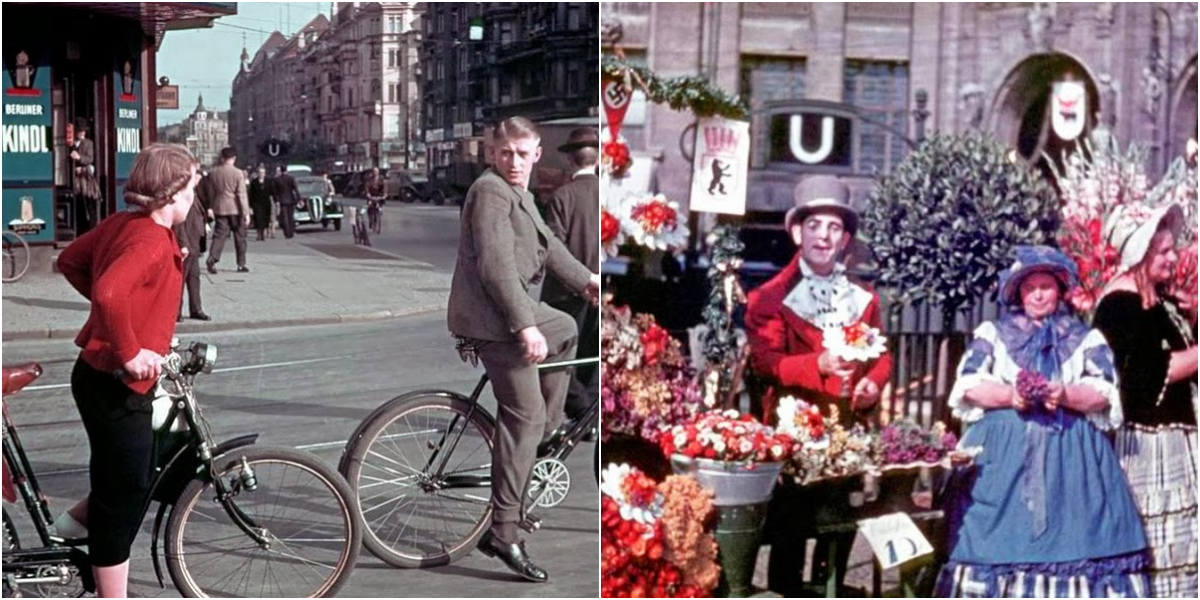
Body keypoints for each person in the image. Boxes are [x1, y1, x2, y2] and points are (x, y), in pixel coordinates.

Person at [936, 245, 1150, 597]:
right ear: (1018, 291)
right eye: (1030, 286)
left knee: (1080, 539)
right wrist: (1010, 396)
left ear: (1060, 290)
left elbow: (1104, 392)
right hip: (1002, 462)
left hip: (1072, 462)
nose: (1037, 294)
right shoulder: (993, 333)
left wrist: (1064, 394)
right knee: (994, 539)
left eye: (1046, 286)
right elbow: (968, 384)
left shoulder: (1085, 338)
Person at [447, 117, 601, 583]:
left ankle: (547, 433)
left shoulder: (521, 194)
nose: (514, 162)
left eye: (523, 153)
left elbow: (551, 248)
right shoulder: (491, 191)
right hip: (493, 320)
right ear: (493, 154)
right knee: (524, 415)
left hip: (506, 312)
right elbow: (495, 268)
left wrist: (591, 281)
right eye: (506, 153)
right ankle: (504, 531)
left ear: (537, 153)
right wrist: (524, 326)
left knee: (565, 330)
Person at [53, 143, 200, 598]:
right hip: (117, 383)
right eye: (193, 188)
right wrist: (130, 346)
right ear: (173, 194)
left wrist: (130, 326)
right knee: (126, 494)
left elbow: (70, 261)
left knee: (131, 475)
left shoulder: (125, 224)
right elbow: (111, 295)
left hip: (97, 376)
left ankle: (72, 523)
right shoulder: (152, 241)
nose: (195, 197)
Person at [745, 175, 891, 595]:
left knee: (839, 524)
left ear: (845, 239)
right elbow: (767, 363)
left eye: (833, 228)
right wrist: (819, 365)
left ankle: (832, 586)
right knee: (792, 530)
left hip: (847, 431)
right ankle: (789, 590)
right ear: (796, 232)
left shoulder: (863, 298)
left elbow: (881, 356)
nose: (823, 237)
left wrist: (873, 385)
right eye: (814, 226)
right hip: (793, 433)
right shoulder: (769, 298)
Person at [1093, 203, 1197, 598]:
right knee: (1158, 542)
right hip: (1148, 443)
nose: (1174, 258)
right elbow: (1151, 372)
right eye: (1164, 251)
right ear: (1140, 254)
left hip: (1177, 435)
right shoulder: (1120, 304)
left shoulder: (1158, 298)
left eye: (1173, 249)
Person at [541, 127, 600, 436]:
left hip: (567, 292)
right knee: (592, 354)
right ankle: (589, 415)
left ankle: (582, 412)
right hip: (600, 292)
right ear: (598, 159)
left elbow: (554, 247)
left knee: (563, 357)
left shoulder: (563, 196)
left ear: (570, 161)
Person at [204, 147, 250, 273]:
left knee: (219, 236)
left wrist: (211, 207)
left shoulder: (214, 172)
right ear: (234, 158)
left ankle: (212, 258)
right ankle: (241, 264)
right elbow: (241, 194)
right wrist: (246, 212)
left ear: (222, 158)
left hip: (220, 208)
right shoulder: (238, 173)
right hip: (236, 209)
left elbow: (211, 192)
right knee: (240, 237)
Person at [173, 181, 209, 321]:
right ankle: (176, 311)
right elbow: (179, 223)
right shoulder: (182, 197)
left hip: (195, 243)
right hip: (187, 242)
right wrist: (183, 243)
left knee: (194, 278)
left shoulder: (194, 195)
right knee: (181, 279)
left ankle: (196, 309)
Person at [70, 120, 101, 233]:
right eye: (80, 131)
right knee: (77, 204)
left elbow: (90, 159)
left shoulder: (89, 143)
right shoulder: (71, 143)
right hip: (72, 179)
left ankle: (90, 229)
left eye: (84, 131)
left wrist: (79, 158)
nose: (83, 133)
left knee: (88, 203)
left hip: (85, 179)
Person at [272, 165, 300, 239]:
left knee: (284, 217)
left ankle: (287, 232)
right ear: (286, 170)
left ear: (280, 171)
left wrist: (276, 200)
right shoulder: (291, 178)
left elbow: (275, 192)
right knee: (291, 216)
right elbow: (296, 189)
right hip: (291, 199)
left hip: (282, 200)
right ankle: (291, 231)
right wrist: (299, 198)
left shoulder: (277, 180)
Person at [248, 166, 272, 241]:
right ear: (258, 173)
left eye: (262, 173)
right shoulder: (254, 182)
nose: (261, 174)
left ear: (265, 173)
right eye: (260, 173)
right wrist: (250, 205)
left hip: (266, 203)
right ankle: (258, 234)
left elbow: (272, 191)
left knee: (265, 219)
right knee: (258, 219)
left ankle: (263, 233)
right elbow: (251, 194)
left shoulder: (268, 181)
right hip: (257, 203)